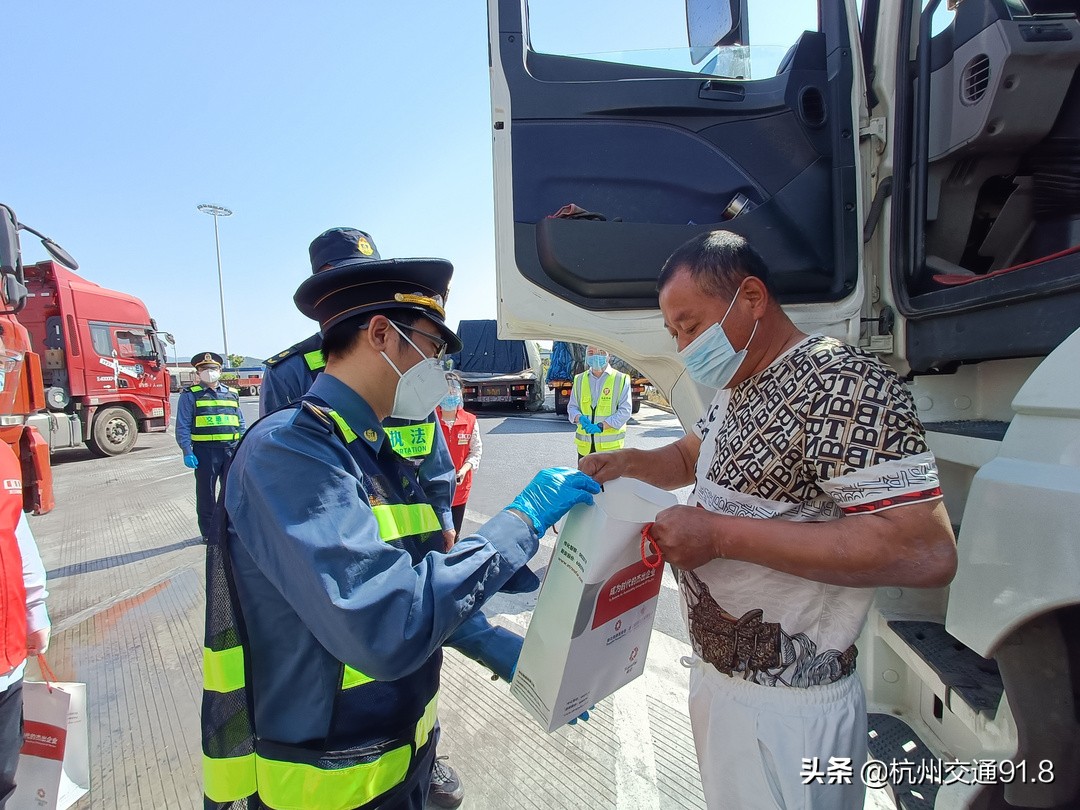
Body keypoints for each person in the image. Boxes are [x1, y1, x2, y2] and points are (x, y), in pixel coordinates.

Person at [201, 235, 600, 810]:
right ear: (381, 335)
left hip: (397, 761)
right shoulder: (290, 454)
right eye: (433, 348)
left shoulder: (377, 452)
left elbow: (414, 580)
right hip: (321, 786)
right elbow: (388, 624)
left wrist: (493, 644)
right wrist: (521, 520)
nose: (439, 371)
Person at [579, 231, 958, 810]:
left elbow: (923, 550)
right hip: (720, 685)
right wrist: (629, 463)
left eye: (690, 325)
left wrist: (720, 535)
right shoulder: (736, 387)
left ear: (751, 297)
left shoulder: (840, 383)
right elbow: (691, 456)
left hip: (792, 712)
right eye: (674, 333)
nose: (684, 347)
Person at [261, 228, 457, 551]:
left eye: (362, 278)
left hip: (414, 539)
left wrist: (443, 516)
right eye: (341, 281)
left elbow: (433, 450)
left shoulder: (405, 365)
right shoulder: (291, 372)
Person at [0, 332, 50, 808]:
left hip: (7, 654)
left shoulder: (1, 453)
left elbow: (17, 539)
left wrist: (36, 612)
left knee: (5, 773)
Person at [175, 352, 245, 542]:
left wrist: (242, 446)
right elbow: (182, 425)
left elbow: (240, 422)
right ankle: (208, 533)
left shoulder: (232, 394)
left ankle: (231, 527)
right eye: (204, 369)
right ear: (197, 372)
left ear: (220, 371)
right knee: (206, 494)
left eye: (213, 369)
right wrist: (186, 451)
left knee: (232, 491)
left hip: (231, 450)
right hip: (205, 452)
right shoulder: (191, 395)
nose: (209, 372)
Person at [566, 345, 631, 459]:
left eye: (601, 352)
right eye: (591, 353)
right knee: (584, 477)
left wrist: (602, 426)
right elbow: (572, 407)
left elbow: (625, 411)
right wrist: (579, 417)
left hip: (611, 450)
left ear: (609, 355)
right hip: (585, 449)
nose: (596, 356)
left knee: (610, 478)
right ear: (586, 356)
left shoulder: (621, 379)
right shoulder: (579, 379)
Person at [436, 376, 482, 536]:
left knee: (454, 533)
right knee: (435, 535)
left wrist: (463, 470)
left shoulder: (470, 421)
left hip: (459, 487)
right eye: (446, 390)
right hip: (434, 487)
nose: (450, 394)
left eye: (454, 390)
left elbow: (475, 451)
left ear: (461, 393)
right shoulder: (430, 420)